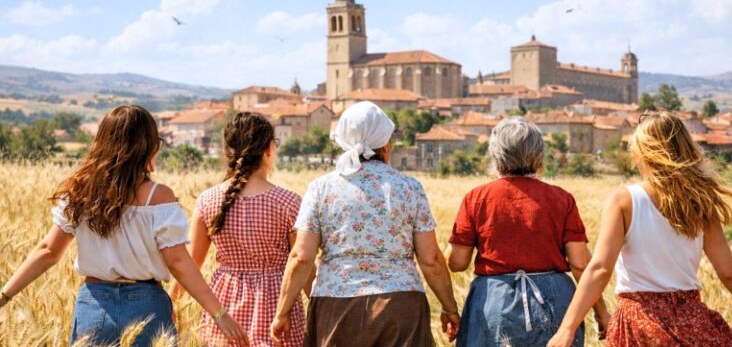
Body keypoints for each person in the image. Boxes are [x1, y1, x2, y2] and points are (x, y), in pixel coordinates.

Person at [0, 105, 248, 346]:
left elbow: (48, 251)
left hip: (93, 306)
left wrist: (4, 295)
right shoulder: (158, 197)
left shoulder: (80, 192)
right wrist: (219, 314)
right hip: (147, 306)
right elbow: (178, 261)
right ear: (147, 146)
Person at [548, 111, 732, 347]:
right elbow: (729, 271)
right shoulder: (701, 202)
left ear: (642, 153)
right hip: (691, 319)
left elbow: (601, 269)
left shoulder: (624, 200)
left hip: (639, 322)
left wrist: (567, 328)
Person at [270, 101, 460, 347]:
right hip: (400, 306)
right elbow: (431, 259)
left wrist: (282, 312)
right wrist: (449, 307)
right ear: (386, 144)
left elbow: (301, 257)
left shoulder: (320, 189)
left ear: (343, 141)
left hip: (336, 306)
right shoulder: (410, 188)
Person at [446, 117, 609, 347]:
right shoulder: (562, 199)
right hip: (555, 303)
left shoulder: (476, 198)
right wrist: (601, 313)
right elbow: (580, 265)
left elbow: (457, 263)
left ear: (495, 155)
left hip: (494, 303)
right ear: (539, 155)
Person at [170, 112, 310, 346]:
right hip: (277, 303)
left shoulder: (207, 200)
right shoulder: (289, 202)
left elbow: (191, 263)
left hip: (224, 304)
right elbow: (301, 263)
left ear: (227, 151)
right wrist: (322, 305)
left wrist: (171, 302)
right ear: (269, 149)